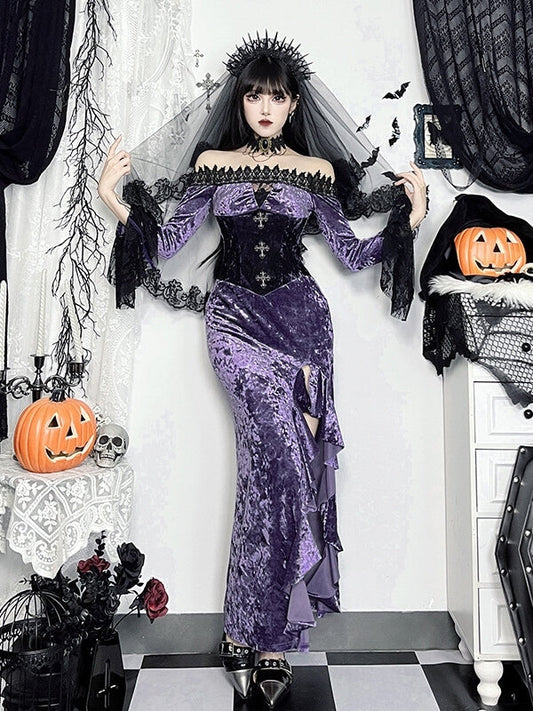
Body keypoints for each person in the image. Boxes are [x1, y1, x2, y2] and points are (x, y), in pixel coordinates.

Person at [98, 33, 426, 709]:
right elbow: (167, 242)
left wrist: (412, 219)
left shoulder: (316, 171)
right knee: (275, 462)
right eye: (254, 96)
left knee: (272, 477)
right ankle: (262, 630)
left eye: (277, 96)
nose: (266, 106)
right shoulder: (213, 164)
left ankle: (255, 634)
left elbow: (350, 253)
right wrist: (113, 198)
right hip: (234, 323)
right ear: (240, 102)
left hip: (302, 329)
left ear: (294, 103)